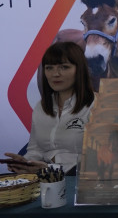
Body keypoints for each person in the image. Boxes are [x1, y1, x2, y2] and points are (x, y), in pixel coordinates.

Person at [5, 42, 94, 175]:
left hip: (77, 182)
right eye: (49, 68)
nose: (55, 74)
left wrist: (50, 169)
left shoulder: (96, 106)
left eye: (64, 67)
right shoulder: (41, 106)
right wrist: (25, 163)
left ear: (79, 69)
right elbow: (35, 150)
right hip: (41, 179)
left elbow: (99, 159)